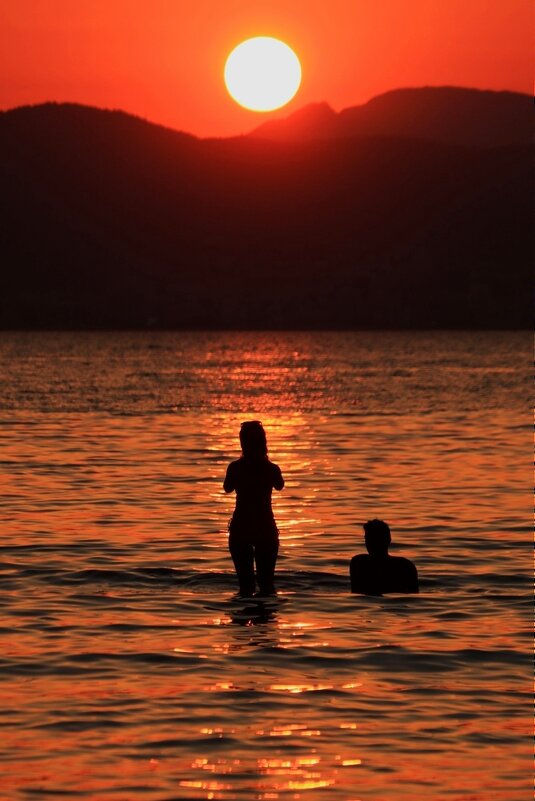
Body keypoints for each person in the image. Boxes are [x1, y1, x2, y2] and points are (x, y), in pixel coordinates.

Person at [224, 421, 284, 596]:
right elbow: (280, 485)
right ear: (264, 442)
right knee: (266, 584)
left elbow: (227, 488)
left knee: (245, 585)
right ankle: (263, 620)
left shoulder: (235, 467)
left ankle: (244, 616)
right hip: (265, 527)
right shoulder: (271, 468)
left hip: (241, 527)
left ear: (242, 443)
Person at [350, 519, 419, 596]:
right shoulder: (359, 563)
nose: (370, 543)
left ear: (388, 540)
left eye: (375, 539)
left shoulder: (405, 566)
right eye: (367, 539)